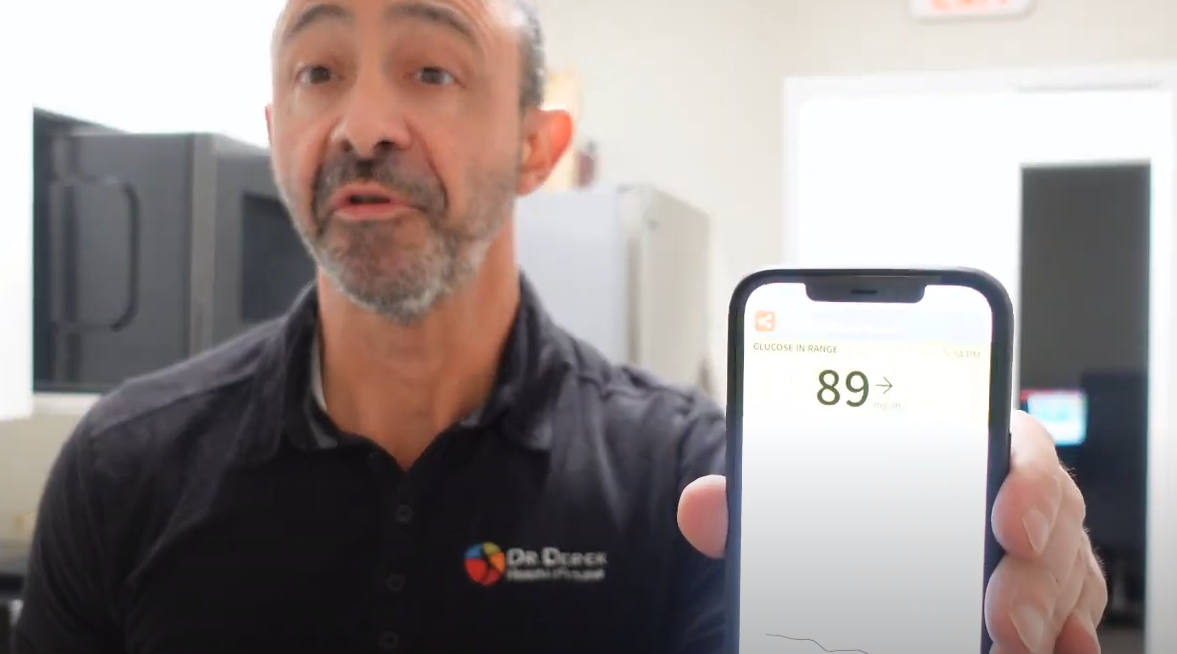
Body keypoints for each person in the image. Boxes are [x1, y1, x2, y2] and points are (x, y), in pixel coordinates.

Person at [14, 0, 1106, 652]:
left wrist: (991, 578)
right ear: (276, 126)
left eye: (430, 68)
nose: (363, 123)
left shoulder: (687, 483)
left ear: (538, 146)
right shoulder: (122, 469)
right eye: (317, 71)